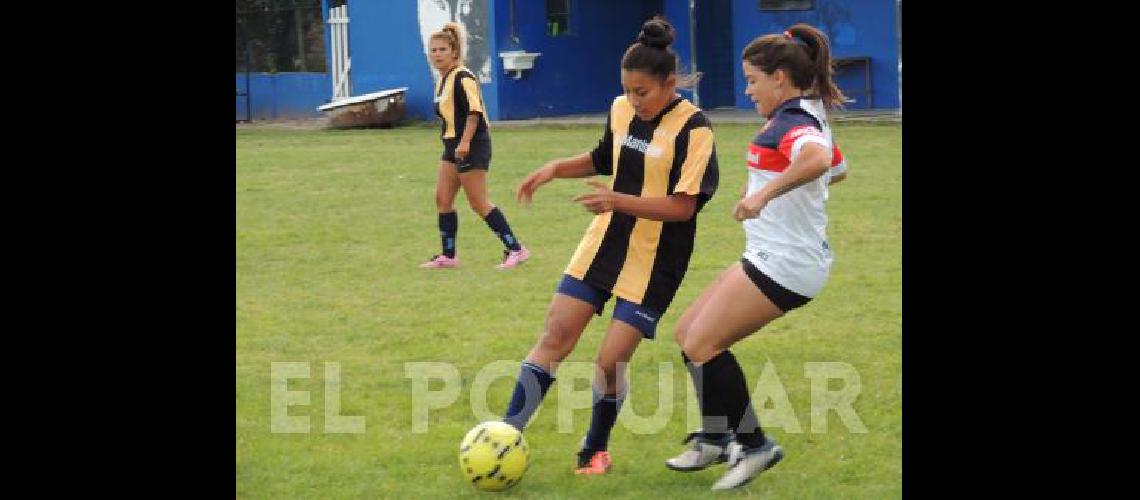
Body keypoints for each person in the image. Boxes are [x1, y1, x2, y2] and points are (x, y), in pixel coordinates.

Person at [499, 16, 719, 475]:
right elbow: (605, 157)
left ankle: (594, 449)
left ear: (670, 84)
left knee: (608, 361)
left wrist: (617, 199)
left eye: (643, 92)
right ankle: (502, 438)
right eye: (628, 90)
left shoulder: (694, 128)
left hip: (657, 259)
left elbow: (684, 207)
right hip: (605, 243)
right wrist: (555, 168)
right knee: (556, 335)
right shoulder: (621, 109)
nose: (634, 100)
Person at [664, 23, 849, 490]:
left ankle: (755, 445)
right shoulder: (803, 113)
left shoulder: (794, 122)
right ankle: (714, 436)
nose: (748, 91)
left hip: (786, 264)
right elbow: (838, 167)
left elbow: (819, 161)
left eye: (752, 80)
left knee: (703, 345)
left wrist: (763, 196)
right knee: (687, 334)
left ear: (780, 78)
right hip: (774, 255)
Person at [421, 22, 529, 269]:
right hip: (452, 147)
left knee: (479, 202)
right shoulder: (443, 80)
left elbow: (474, 113)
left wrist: (466, 142)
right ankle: (449, 256)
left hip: (471, 145)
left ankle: (517, 249)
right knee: (442, 199)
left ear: (454, 52)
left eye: (442, 50)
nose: (436, 54)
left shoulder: (463, 77)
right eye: (433, 50)